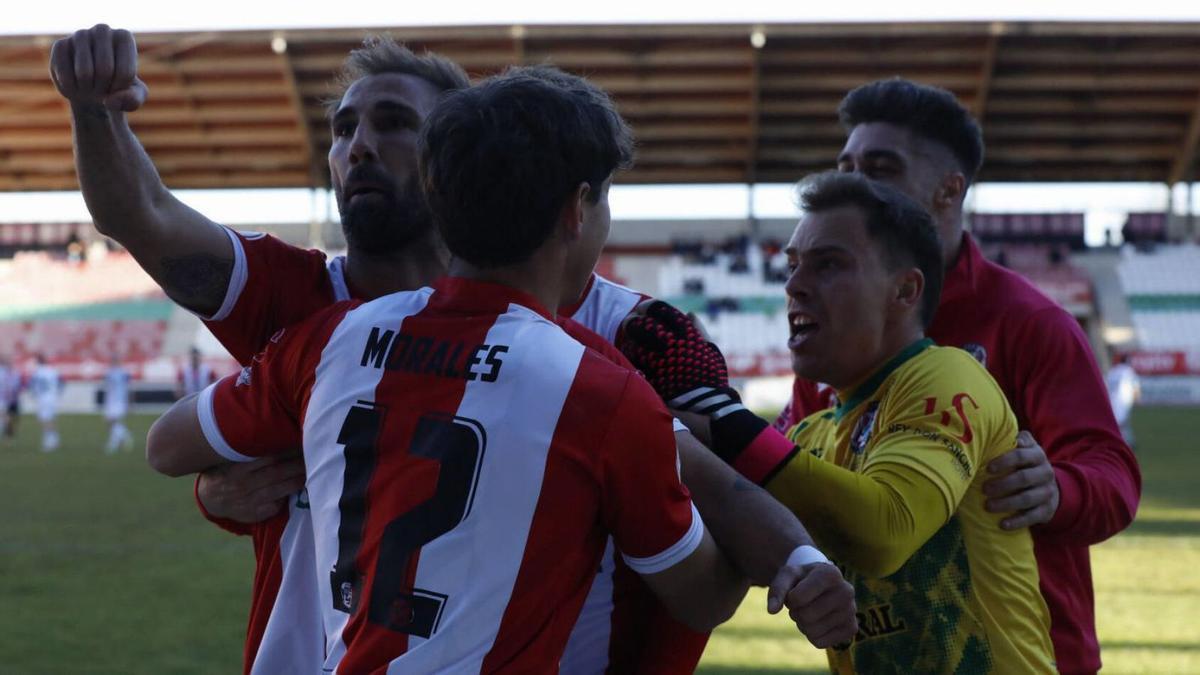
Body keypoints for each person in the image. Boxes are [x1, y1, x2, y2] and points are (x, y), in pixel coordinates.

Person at [54, 26, 850, 673]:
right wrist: (95, 109)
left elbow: (727, 480)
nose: (359, 146)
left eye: (394, 123)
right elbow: (143, 216)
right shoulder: (308, 300)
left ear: (455, 160)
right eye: (343, 129)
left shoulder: (633, 333)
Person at [773, 78, 1140, 674]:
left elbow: (1114, 474)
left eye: (880, 168)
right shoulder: (829, 341)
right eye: (846, 167)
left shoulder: (1028, 322)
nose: (857, 183)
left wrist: (1059, 488)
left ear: (949, 189)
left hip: (1032, 652)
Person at [626, 171, 1055, 672]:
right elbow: (722, 570)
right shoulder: (810, 433)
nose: (793, 286)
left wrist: (720, 417)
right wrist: (659, 412)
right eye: (792, 266)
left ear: (905, 290)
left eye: (827, 264)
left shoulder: (947, 374)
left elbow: (885, 529)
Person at [1105, 353, 1140, 448]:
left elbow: (1106, 385)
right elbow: (1135, 387)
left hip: (1112, 400)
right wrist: (1137, 399)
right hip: (1123, 401)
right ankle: (1123, 443)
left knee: (1117, 422)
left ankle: (1127, 442)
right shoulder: (1128, 371)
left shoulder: (1113, 371)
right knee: (1121, 423)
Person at [102, 354, 135, 453]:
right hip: (111, 401)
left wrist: (129, 402)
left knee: (113, 421)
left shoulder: (123, 373)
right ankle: (124, 437)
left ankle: (115, 443)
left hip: (120, 400)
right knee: (110, 423)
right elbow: (108, 388)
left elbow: (129, 388)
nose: (113, 362)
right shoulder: (109, 372)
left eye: (115, 360)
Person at [30, 355, 62, 452]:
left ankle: (49, 441)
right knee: (50, 419)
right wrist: (57, 393)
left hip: (43, 398)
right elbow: (61, 383)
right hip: (52, 397)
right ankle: (54, 439)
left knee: (44, 420)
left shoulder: (37, 372)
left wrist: (34, 394)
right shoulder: (52, 370)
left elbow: (32, 386)